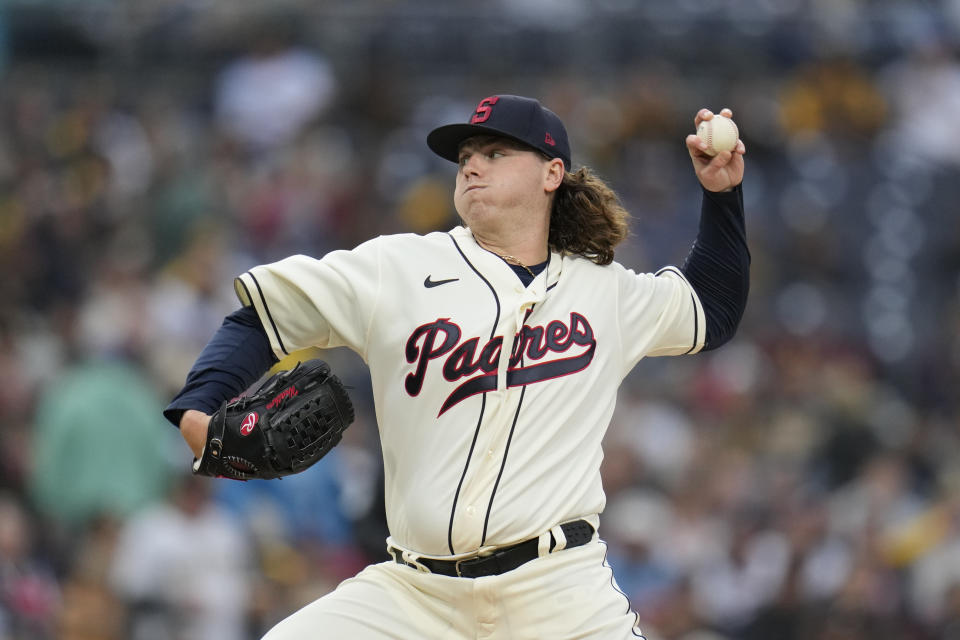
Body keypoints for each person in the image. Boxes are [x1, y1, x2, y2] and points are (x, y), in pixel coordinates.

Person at [164, 94, 749, 639]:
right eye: (465, 156)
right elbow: (262, 318)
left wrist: (723, 197)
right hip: (415, 594)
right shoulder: (398, 268)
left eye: (495, 153)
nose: (471, 166)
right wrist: (195, 409)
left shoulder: (606, 292)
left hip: (558, 593)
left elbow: (711, 309)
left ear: (552, 174)